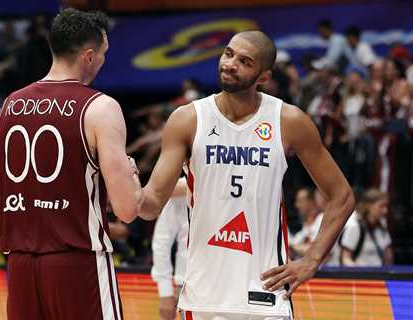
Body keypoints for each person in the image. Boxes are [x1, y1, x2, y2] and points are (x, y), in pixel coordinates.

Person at [139, 30, 355, 320]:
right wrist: (120, 188)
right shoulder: (187, 119)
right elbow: (152, 203)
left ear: (263, 77)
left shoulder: (289, 121)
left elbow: (341, 196)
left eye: (245, 61)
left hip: (266, 293)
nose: (230, 64)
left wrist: (312, 260)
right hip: (203, 296)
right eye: (228, 53)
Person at [0, 9, 143, 320]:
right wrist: (133, 176)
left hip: (21, 266)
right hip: (77, 263)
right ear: (89, 55)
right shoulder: (100, 107)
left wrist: (37, 239)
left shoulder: (8, 106)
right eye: (104, 54)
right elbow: (126, 209)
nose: (104, 61)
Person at [151, 178, 189, 320]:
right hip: (187, 285)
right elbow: (161, 242)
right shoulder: (176, 188)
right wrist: (165, 292)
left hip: (232, 283)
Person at [340, 189, 393, 267]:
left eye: (386, 206)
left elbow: (388, 255)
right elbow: (345, 258)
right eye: (381, 206)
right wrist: (358, 273)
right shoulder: (355, 226)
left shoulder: (382, 226)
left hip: (381, 275)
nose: (385, 211)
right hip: (362, 275)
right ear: (369, 205)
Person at [290, 188, 322, 259]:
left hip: (325, 269)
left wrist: (291, 246)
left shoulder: (321, 220)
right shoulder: (304, 228)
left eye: (300, 201)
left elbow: (316, 251)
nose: (296, 205)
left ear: (310, 202)